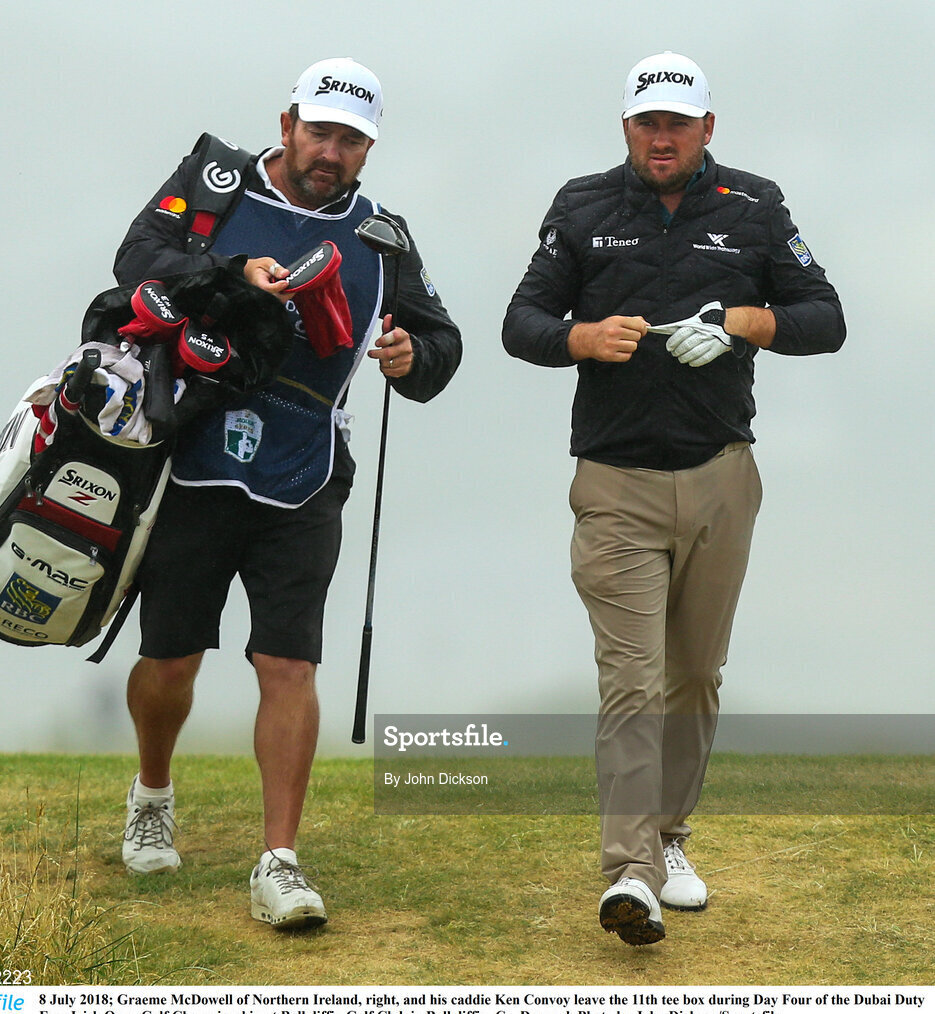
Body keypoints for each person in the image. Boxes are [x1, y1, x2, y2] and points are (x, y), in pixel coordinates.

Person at [502, 52, 844, 946]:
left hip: (722, 476)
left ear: (707, 129)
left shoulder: (755, 207)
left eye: (678, 123)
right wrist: (580, 337)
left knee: (693, 676)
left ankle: (668, 836)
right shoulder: (580, 207)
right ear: (626, 127)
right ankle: (630, 872)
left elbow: (824, 318)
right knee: (633, 679)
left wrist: (741, 324)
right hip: (614, 482)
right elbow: (521, 324)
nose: (662, 136)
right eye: (647, 121)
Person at [113, 57, 461, 930]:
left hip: (304, 468)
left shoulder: (382, 237)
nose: (330, 153)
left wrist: (412, 358)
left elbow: (439, 341)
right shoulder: (216, 187)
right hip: (193, 451)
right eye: (319, 132)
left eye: (351, 141)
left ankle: (279, 863)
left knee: (289, 661)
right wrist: (233, 275)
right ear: (286, 123)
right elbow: (136, 262)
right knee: (170, 656)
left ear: (368, 148)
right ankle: (152, 789)